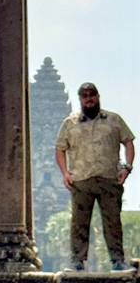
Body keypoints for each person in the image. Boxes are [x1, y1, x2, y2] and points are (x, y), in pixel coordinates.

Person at [55, 82, 135, 272]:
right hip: (81, 179)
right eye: (85, 96)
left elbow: (129, 142)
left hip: (110, 178)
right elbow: (60, 149)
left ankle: (117, 261)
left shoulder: (114, 120)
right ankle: (77, 262)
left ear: (98, 97)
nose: (89, 99)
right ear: (80, 99)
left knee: (113, 221)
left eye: (92, 95)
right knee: (79, 222)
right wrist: (65, 173)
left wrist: (128, 166)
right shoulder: (70, 123)